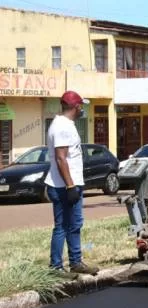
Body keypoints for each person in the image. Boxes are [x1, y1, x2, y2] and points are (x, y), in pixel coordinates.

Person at [46, 91, 98, 276]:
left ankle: (75, 262)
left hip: (71, 184)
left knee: (75, 224)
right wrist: (70, 186)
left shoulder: (66, 124)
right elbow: (61, 158)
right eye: (81, 106)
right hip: (63, 187)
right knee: (62, 226)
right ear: (76, 106)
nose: (82, 109)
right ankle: (56, 267)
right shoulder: (61, 127)